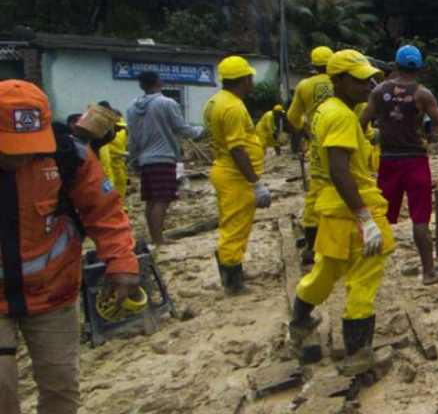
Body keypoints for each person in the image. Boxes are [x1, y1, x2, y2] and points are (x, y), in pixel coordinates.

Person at [1, 80, 141, 414]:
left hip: (54, 293)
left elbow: (104, 211)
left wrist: (121, 263)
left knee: (61, 388)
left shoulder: (68, 157)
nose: (20, 155)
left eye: (28, 146)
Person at [289, 50, 393, 376]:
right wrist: (365, 218)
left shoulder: (323, 110)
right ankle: (359, 353)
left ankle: (301, 319)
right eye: (359, 80)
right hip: (352, 207)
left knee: (326, 268)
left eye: (369, 78)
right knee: (364, 277)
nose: (368, 85)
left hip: (331, 208)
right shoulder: (343, 117)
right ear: (337, 80)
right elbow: (339, 169)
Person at [361, 45, 438, 285]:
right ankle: (428, 273)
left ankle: (363, 269)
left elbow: (359, 123)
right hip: (415, 161)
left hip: (388, 161)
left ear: (394, 65)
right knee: (420, 220)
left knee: (379, 217)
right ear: (420, 68)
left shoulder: (379, 91)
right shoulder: (422, 94)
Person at [204, 56, 268, 295]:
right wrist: (255, 182)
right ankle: (232, 280)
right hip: (233, 174)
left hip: (225, 169)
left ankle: (235, 266)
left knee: (234, 223)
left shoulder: (215, 101)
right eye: (250, 78)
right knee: (234, 226)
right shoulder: (232, 106)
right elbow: (237, 149)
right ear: (244, 79)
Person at [126, 71, 205, 246]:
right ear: (160, 83)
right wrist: (200, 131)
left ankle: (155, 236)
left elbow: (131, 136)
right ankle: (158, 240)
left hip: (144, 159)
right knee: (163, 199)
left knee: (151, 200)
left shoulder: (133, 107)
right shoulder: (166, 103)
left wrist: (134, 159)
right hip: (163, 157)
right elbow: (180, 127)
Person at [287, 46, 335, 266]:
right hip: (343, 141)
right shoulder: (342, 83)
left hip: (318, 145)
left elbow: (293, 116)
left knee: (316, 193)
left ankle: (312, 247)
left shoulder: (304, 86)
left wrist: (307, 134)